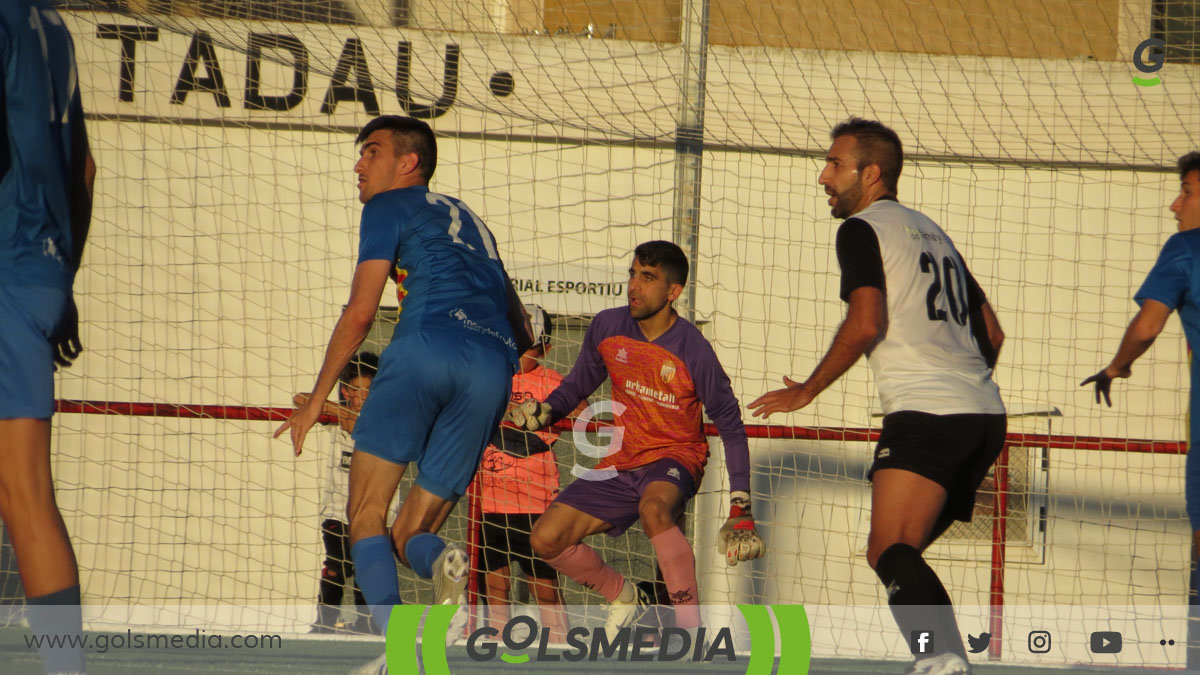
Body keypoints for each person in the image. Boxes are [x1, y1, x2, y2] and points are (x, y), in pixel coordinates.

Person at [749, 118, 1006, 675]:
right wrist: (962, 382)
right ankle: (938, 659)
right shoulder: (932, 231)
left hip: (928, 412)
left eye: (834, 164)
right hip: (984, 414)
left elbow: (866, 321)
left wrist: (807, 393)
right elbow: (994, 333)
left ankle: (942, 659)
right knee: (892, 553)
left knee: (890, 550)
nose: (823, 176)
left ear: (870, 173)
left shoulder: (862, 229)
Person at [275, 115, 527, 670]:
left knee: (365, 513)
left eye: (371, 151)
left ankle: (397, 656)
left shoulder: (386, 207)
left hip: (424, 347)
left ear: (407, 162)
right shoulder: (473, 221)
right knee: (411, 532)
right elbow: (524, 329)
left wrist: (318, 399)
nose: (358, 164)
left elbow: (361, 311)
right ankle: (443, 562)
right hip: (492, 367)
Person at [514, 240, 765, 639]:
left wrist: (740, 503)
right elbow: (578, 383)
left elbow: (732, 426)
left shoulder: (694, 350)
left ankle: (690, 633)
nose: (634, 286)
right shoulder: (607, 326)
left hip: (676, 457)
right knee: (545, 539)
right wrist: (547, 410)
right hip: (622, 460)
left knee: (654, 509)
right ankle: (625, 595)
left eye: (648, 278)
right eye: (633, 274)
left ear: (673, 292)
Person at [0, 2, 95, 673]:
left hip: (4, 261)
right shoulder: (51, 24)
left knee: (24, 492)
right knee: (25, 489)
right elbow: (83, 169)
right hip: (40, 269)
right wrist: (65, 279)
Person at [1082, 151, 1200, 599]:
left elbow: (1148, 325)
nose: (1175, 205)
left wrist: (1117, 366)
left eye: (1186, 192)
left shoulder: (1186, 249)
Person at [477, 304, 571, 641]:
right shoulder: (491, 374)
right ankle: (495, 639)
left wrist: (548, 414)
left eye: (528, 347)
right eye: (514, 343)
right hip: (490, 500)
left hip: (535, 502)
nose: (519, 354)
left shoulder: (550, 380)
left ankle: (559, 642)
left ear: (545, 348)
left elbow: (587, 415)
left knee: (544, 586)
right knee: (495, 584)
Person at [293, 353, 392, 635]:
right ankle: (324, 621)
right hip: (338, 511)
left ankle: (366, 622)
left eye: (371, 391)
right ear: (347, 391)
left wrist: (354, 418)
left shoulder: (386, 420)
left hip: (375, 512)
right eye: (359, 391)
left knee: (367, 568)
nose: (365, 397)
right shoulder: (336, 416)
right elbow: (300, 398)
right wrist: (345, 413)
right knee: (338, 563)